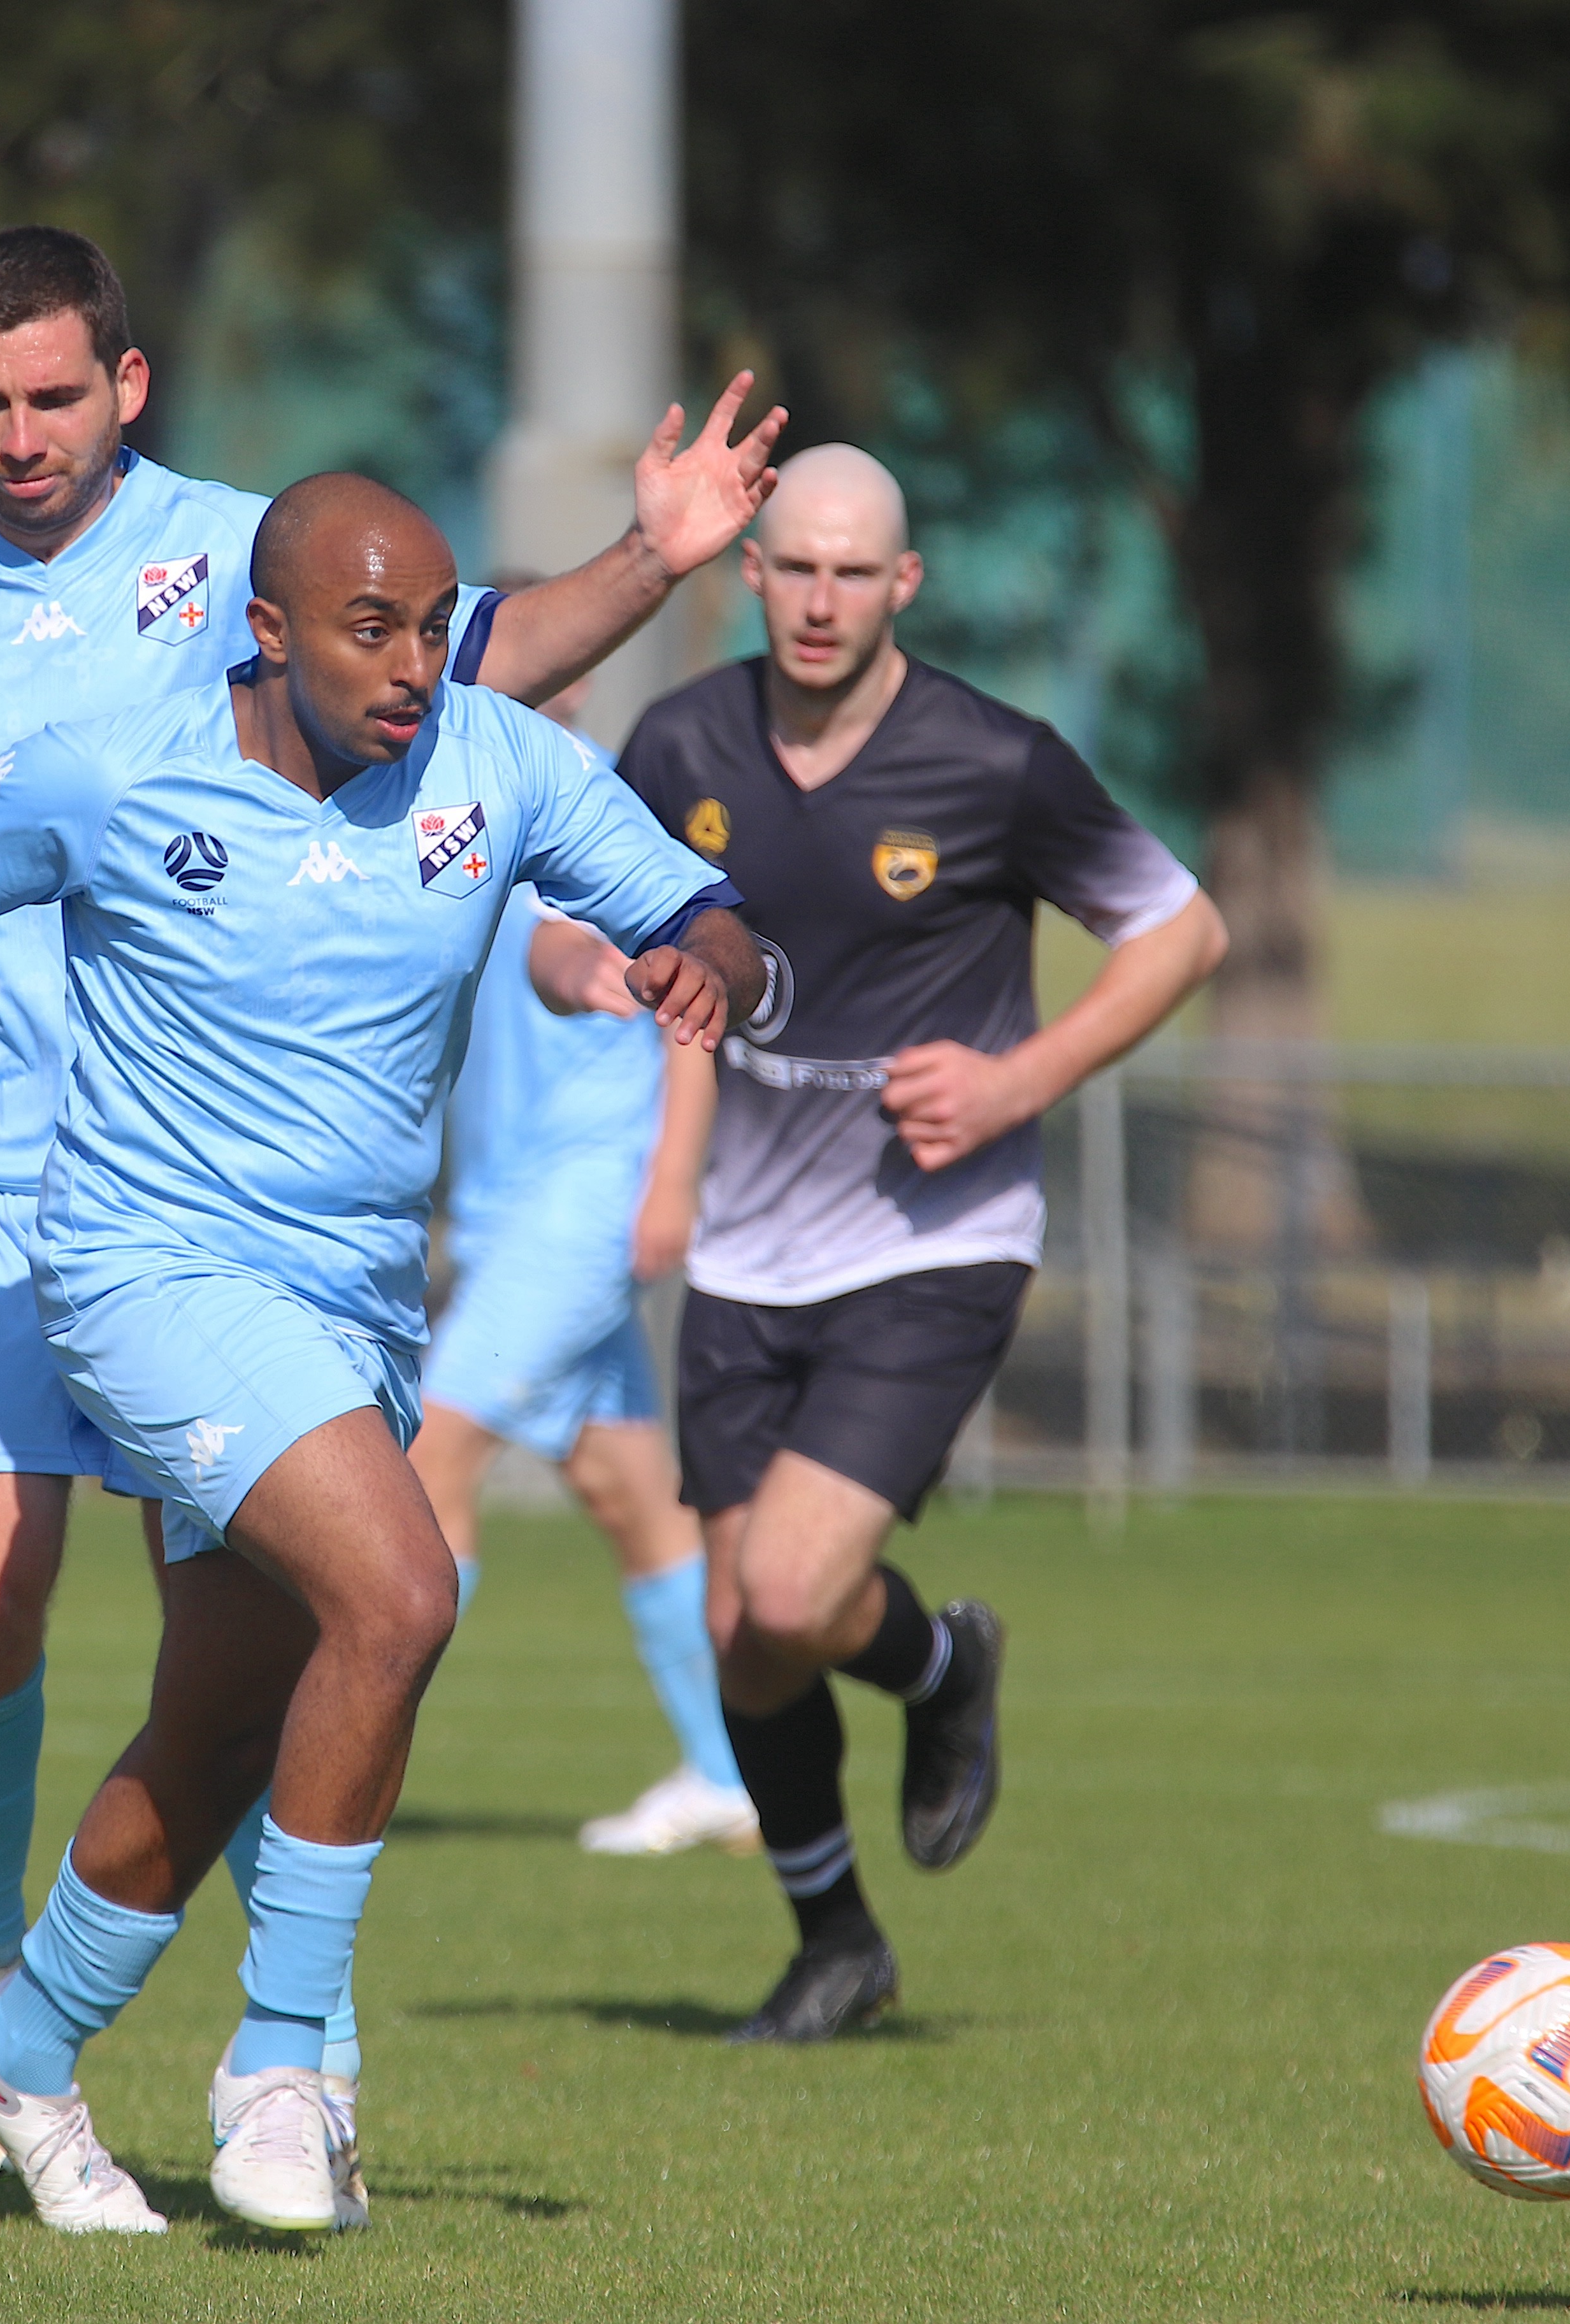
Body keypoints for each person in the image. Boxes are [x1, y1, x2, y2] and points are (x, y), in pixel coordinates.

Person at [0, 226, 784, 2160]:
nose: (19, 436)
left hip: (259, 1194)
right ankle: (30, 1989)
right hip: (11, 1167)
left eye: (53, 396)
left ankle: (158, 2043)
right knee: (8, 1591)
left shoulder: (246, 556)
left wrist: (654, 563)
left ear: (128, 389)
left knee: (250, 1674)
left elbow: (457, 667)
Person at [617, 444, 1227, 2041]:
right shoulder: (678, 740)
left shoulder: (992, 761)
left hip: (930, 1238)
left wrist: (1017, 1076)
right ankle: (836, 1942)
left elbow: (1183, 931)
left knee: (801, 1589)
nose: (818, 599)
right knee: (739, 1631)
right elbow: (605, 923)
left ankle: (940, 1661)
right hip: (746, 1259)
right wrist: (578, 984)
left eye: (851, 571)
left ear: (903, 586)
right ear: (747, 577)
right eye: (791, 567)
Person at [406, 659, 757, 1860]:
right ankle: (732, 1773)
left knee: (426, 1456)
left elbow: (670, 991)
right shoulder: (432, 809)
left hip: (588, 1200)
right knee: (630, 1495)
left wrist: (671, 1181)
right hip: (515, 1210)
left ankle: (337, 1742)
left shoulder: (593, 807)